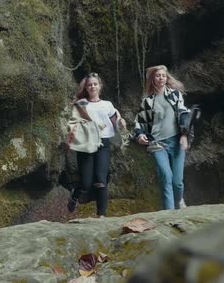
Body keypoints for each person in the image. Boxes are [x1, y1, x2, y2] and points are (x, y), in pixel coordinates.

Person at [66, 72, 125, 218]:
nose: (92, 87)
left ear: (100, 86)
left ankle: (101, 216)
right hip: (86, 144)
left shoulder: (107, 105)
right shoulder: (80, 104)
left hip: (103, 143)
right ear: (86, 88)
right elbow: (73, 124)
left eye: (95, 84)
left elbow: (115, 122)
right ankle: (74, 196)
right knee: (86, 182)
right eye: (89, 85)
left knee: (100, 179)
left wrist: (121, 124)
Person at [134, 65, 190, 210]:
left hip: (176, 141)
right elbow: (139, 122)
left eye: (163, 75)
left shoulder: (175, 95)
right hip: (157, 144)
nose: (161, 78)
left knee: (177, 182)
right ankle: (169, 215)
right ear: (153, 78)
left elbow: (184, 114)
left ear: (167, 78)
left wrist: (184, 135)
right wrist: (140, 135)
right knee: (166, 177)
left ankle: (179, 202)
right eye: (158, 75)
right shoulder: (148, 101)